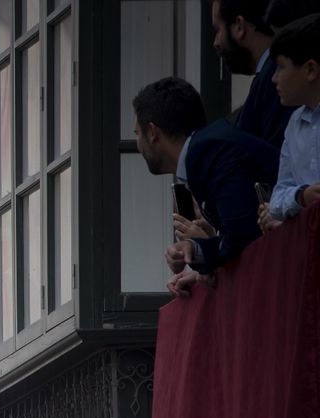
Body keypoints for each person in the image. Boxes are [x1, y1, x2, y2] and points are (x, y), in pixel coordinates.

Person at [132, 77, 279, 295]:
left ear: (153, 132)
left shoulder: (209, 153)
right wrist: (195, 249)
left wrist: (201, 251)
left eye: (137, 133)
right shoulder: (205, 152)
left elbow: (241, 235)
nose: (138, 145)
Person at [262, 14, 320, 228]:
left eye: (280, 66)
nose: (274, 78)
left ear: (310, 70)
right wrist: (301, 196)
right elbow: (277, 200)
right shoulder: (294, 124)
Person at [212, 0, 296, 147]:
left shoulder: (276, 81)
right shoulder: (268, 76)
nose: (216, 42)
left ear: (239, 26)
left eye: (218, 30)